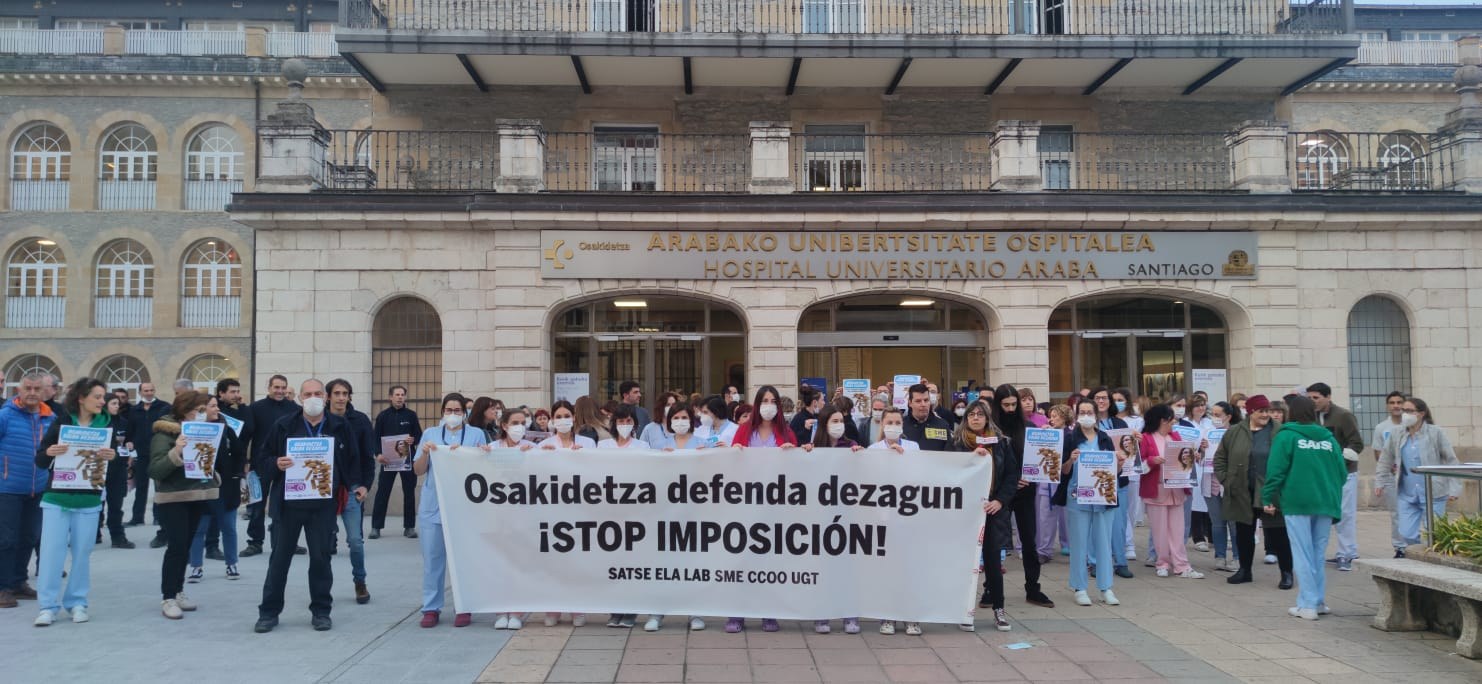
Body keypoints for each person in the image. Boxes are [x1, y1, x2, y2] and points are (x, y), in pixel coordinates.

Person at [253, 379, 360, 633]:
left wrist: (356, 485)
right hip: (288, 504)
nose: (313, 398)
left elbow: (352, 459)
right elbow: (262, 458)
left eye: (317, 393)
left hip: (322, 505)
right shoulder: (284, 425)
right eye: (308, 394)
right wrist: (276, 464)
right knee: (279, 560)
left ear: (325, 397)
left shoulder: (340, 426)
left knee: (321, 559)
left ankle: (321, 612)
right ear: (300, 398)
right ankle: (268, 612)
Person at [31, 378, 117, 626]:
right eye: (97, 397)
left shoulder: (107, 426)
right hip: (57, 497)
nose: (102, 401)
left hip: (89, 499)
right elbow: (40, 459)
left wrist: (113, 457)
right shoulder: (62, 422)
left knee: (82, 554)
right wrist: (50, 452)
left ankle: (77, 602)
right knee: (51, 554)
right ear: (81, 398)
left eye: (103, 397)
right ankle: (47, 606)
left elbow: (112, 467)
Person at [1261, 395, 1345, 620]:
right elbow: (1342, 472)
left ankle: (1307, 604)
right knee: (1317, 553)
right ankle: (1318, 601)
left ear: (1292, 412)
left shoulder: (1286, 436)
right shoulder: (1328, 438)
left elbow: (1276, 469)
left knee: (1302, 552)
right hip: (1325, 501)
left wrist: (1267, 496)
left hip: (1297, 501)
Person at [726, 386, 797, 633]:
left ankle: (769, 612)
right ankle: (737, 613)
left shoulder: (786, 432)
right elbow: (731, 464)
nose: (769, 405)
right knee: (742, 560)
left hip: (775, 506)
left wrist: (792, 454)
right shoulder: (745, 430)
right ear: (757, 404)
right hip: (745, 504)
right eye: (765, 400)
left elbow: (798, 468)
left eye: (773, 401)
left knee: (770, 561)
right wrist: (734, 453)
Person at [414, 394, 488, 629]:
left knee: (463, 560)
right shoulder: (430, 434)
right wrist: (425, 453)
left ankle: (463, 606)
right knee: (433, 559)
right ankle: (431, 607)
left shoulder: (476, 434)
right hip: (433, 505)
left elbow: (484, 466)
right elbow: (418, 470)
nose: (453, 414)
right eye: (449, 410)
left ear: (464, 413)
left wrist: (479, 453)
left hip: (465, 506)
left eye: (457, 410)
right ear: (442, 411)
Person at [150, 390, 220, 619]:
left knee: (186, 545)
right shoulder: (165, 432)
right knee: (177, 546)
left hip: (196, 494)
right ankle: (168, 597)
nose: (203, 414)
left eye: (204, 410)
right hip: (173, 497)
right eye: (199, 410)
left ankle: (178, 590)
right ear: (186, 410)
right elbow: (155, 469)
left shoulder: (204, 431)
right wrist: (177, 449)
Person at [642, 404, 710, 632]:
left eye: (684, 417)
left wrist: (710, 456)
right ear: (669, 421)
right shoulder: (661, 446)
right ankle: (657, 612)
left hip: (694, 512)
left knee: (693, 563)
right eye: (676, 417)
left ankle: (695, 612)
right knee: (663, 563)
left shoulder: (702, 444)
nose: (680, 421)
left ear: (691, 420)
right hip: (666, 512)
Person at [1214, 395, 1292, 588]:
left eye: (1267, 411)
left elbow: (1290, 459)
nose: (1266, 415)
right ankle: (1245, 570)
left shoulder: (1280, 431)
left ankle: (1286, 573)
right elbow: (1220, 458)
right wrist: (1226, 480)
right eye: (1261, 411)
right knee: (1243, 533)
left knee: (1278, 533)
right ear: (1250, 412)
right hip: (1242, 491)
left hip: (1271, 492)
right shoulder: (1235, 432)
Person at [1053, 397, 1123, 607]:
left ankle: (1105, 587)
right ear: (1076, 416)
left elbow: (1114, 471)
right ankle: (1080, 587)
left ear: (1096, 415)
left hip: (1103, 496)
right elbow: (1061, 471)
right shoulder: (1070, 439)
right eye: (1082, 412)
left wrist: (1120, 463)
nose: (1086, 416)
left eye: (1089, 412)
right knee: (1079, 543)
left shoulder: (1104, 438)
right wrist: (1071, 459)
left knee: (1103, 543)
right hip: (1077, 496)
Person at [992, 384, 1055, 608]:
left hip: (1026, 491)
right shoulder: (992, 429)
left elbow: (1038, 460)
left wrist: (1048, 439)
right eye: (1005, 405)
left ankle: (1033, 588)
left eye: (1013, 404)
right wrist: (1010, 480)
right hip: (999, 493)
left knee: (1029, 539)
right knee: (994, 542)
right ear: (998, 405)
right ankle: (990, 589)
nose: (1010, 409)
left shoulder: (1028, 427)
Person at [1376, 397, 1460, 558]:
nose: (1405, 414)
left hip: (1433, 492)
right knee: (1405, 532)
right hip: (1407, 492)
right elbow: (1385, 459)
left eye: (1409, 411)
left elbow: (1451, 460)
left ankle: (1430, 559)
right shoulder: (1397, 433)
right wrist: (1380, 481)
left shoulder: (1436, 433)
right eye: (1404, 411)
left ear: (1421, 413)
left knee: (1433, 533)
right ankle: (1420, 553)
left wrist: (1454, 488)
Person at [0, 371, 54, 609]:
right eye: (27, 388)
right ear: (18, 390)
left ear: (44, 391)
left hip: (37, 488)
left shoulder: (50, 418)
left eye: (37, 389)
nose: (32, 393)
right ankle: (3, 587)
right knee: (6, 539)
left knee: (29, 538)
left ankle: (18, 582)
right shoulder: (5, 416)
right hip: (7, 488)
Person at [966, 399, 1020, 632]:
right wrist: (971, 457)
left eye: (980, 414)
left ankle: (999, 609)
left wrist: (1000, 501)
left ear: (987, 418)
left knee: (993, 563)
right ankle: (964, 610)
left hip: (993, 510)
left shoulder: (1002, 443)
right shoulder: (957, 443)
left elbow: (1011, 475)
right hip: (966, 512)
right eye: (971, 414)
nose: (976, 418)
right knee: (964, 563)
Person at [1139, 404, 1204, 580]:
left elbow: (1183, 457)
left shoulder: (1175, 436)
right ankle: (1162, 563)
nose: (1174, 422)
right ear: (1163, 420)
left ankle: (1182, 565)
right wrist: (1152, 461)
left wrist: (1193, 457)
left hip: (1176, 488)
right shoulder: (1146, 438)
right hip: (1157, 489)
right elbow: (1139, 466)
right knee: (1159, 530)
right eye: (1171, 419)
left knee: (1178, 529)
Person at [326, 379, 375, 605]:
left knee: (355, 540)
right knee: (323, 543)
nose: (341, 397)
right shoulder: (319, 420)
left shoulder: (360, 420)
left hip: (352, 488)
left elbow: (368, 456)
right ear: (328, 396)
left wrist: (366, 485)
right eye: (337, 393)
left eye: (345, 393)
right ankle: (322, 588)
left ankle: (360, 582)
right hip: (324, 489)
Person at [185, 395, 245, 584]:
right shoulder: (190, 430)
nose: (217, 409)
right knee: (198, 529)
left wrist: (236, 475)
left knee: (228, 527)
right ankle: (196, 566)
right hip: (200, 486)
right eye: (212, 406)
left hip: (225, 486)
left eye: (216, 405)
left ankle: (232, 564)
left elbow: (239, 453)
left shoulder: (226, 429)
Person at [1305, 383, 1364, 572]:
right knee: (1321, 514)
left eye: (1316, 398)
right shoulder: (1309, 418)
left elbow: (1356, 444)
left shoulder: (1343, 416)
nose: (1312, 401)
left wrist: (1338, 460)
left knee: (1344, 513)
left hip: (1344, 473)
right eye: (1309, 398)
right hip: (1319, 475)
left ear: (1328, 397)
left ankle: (1347, 553)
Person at [490, 407, 538, 629]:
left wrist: (539, 454)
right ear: (504, 425)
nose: (520, 427)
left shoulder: (532, 448)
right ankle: (501, 611)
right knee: (499, 564)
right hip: (497, 515)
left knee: (519, 563)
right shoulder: (492, 448)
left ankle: (517, 612)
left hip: (523, 515)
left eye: (523, 422)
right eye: (515, 423)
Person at [243, 375, 300, 557]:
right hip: (260, 464)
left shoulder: (295, 409)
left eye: (283, 387)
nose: (280, 391)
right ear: (269, 388)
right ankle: (255, 542)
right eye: (276, 387)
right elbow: (246, 436)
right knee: (257, 505)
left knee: (287, 506)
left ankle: (288, 542)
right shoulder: (255, 408)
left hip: (287, 465)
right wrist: (246, 462)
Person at [371, 385, 422, 540]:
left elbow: (419, 436)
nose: (400, 397)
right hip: (388, 461)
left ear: (405, 397)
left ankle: (409, 527)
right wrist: (378, 454)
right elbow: (375, 438)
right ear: (390, 397)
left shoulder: (411, 415)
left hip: (407, 461)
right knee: (382, 493)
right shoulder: (383, 416)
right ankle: (376, 527)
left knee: (409, 493)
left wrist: (413, 439)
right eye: (397, 394)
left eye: (402, 395)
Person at [127, 382, 169, 533]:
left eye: (151, 390)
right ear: (140, 392)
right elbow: (130, 430)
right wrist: (129, 443)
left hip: (158, 451)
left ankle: (159, 516)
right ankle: (137, 517)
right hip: (141, 453)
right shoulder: (134, 410)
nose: (149, 393)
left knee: (159, 486)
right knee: (141, 486)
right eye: (146, 390)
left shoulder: (164, 407)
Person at [1203, 401, 1239, 572]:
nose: (1214, 418)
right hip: (1210, 481)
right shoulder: (1206, 432)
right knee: (1217, 523)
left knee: (1233, 523)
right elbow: (1196, 457)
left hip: (1230, 483)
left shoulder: (1236, 433)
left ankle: (1238, 557)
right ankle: (1220, 556)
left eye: (1218, 415)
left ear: (1228, 416)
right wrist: (1200, 449)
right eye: (1212, 414)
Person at [1371, 391, 1407, 551]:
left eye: (1399, 402)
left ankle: (1415, 546)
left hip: (1412, 476)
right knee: (1396, 513)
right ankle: (1400, 548)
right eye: (1392, 403)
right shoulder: (1381, 428)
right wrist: (1390, 468)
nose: (1396, 406)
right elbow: (1378, 453)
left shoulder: (1411, 425)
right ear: (1387, 406)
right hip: (1392, 478)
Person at [100, 393, 134, 549]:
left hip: (118, 468)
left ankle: (118, 536)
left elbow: (129, 439)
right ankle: (94, 533)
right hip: (99, 467)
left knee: (116, 505)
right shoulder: (98, 422)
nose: (116, 406)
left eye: (117, 404)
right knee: (97, 504)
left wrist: (130, 445)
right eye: (113, 403)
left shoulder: (123, 422)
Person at [902, 383, 951, 451]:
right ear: (910, 403)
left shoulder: (942, 425)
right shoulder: (902, 425)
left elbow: (949, 452)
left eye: (926, 400)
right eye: (918, 401)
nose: (923, 404)